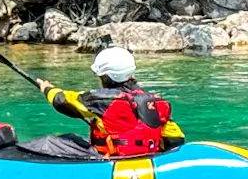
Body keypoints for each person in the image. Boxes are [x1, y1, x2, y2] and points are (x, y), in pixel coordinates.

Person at [27, 46, 185, 158]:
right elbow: (176, 138)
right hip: (148, 160)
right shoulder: (157, 102)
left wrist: (47, 89)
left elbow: (61, 101)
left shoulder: (101, 99)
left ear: (105, 77)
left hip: (110, 160)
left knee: (48, 143)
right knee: (73, 138)